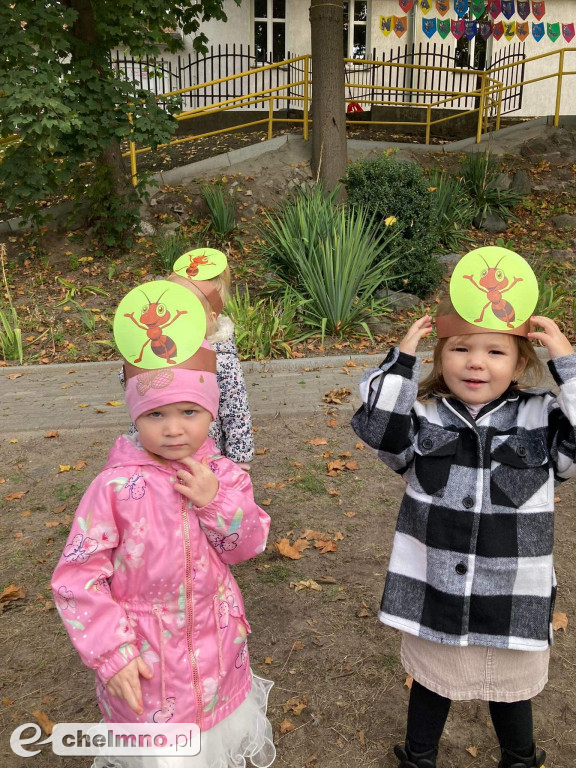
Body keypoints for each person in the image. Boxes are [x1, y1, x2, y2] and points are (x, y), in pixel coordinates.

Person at [351, 286, 576, 768]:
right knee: (433, 680)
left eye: (495, 351)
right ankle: (418, 757)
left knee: (511, 689)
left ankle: (520, 758)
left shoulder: (542, 417)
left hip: (512, 592)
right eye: (460, 348)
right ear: (441, 357)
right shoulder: (423, 415)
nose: (476, 363)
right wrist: (401, 363)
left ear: (519, 365)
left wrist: (567, 364)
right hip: (435, 588)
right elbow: (377, 429)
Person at [52, 301, 275, 768]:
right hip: (147, 661)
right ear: (135, 415)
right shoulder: (112, 488)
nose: (174, 429)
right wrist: (112, 654)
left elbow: (248, 546)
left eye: (190, 411)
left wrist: (216, 501)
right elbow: (77, 578)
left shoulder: (224, 475)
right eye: (157, 415)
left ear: (212, 412)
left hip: (217, 654)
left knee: (213, 748)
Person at [119, 248, 254, 468]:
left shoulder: (221, 361)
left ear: (210, 319)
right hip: (153, 451)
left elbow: (236, 412)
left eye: (186, 314)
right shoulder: (158, 351)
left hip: (206, 457)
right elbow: (137, 391)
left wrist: (239, 460)